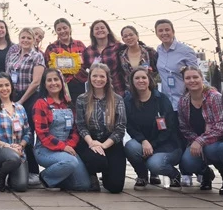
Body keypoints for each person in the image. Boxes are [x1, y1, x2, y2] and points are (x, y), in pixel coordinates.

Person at [32, 68, 90, 190]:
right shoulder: (41, 104)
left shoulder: (68, 103)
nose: (53, 83)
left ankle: (58, 178)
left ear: (62, 82)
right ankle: (45, 177)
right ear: (44, 84)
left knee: (83, 185)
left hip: (67, 149)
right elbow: (43, 134)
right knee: (71, 162)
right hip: (45, 150)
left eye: (56, 79)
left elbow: (75, 130)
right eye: (49, 80)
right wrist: (63, 147)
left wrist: (68, 146)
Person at [124, 67, 181, 190]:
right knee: (130, 146)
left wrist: (152, 145)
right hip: (143, 143)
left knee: (155, 164)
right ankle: (142, 175)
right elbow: (130, 127)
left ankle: (174, 175)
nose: (141, 80)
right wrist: (143, 141)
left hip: (166, 145)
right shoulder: (128, 101)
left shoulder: (161, 100)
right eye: (137, 78)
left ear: (149, 80)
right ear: (132, 82)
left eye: (144, 77)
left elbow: (169, 128)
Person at [75, 63, 127, 193]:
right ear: (90, 78)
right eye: (95, 76)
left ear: (107, 78)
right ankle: (91, 174)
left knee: (115, 187)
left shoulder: (117, 99)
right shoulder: (82, 99)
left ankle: (108, 174)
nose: (98, 79)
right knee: (97, 161)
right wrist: (92, 143)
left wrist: (103, 146)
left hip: (111, 142)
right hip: (90, 141)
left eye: (102, 76)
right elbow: (81, 126)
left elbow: (120, 128)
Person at [178, 66, 223, 192]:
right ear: (184, 81)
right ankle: (206, 174)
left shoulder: (214, 97)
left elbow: (220, 126)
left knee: (211, 150)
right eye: (188, 78)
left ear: (202, 78)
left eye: (195, 77)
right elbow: (183, 127)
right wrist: (196, 141)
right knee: (187, 163)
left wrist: (201, 141)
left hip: (217, 141)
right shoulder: (183, 101)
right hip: (196, 141)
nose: (192, 80)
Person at [5, 27, 46, 187]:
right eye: (23, 38)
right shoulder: (13, 55)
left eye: (29, 38)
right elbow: (8, 76)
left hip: (29, 98)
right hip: (13, 97)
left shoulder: (37, 56)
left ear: (34, 40)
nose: (26, 41)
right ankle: (16, 167)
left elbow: (36, 82)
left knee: (27, 134)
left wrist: (21, 101)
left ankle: (33, 171)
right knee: (13, 132)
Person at [0, 73, 31, 192]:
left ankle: (11, 175)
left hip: (19, 151)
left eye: (7, 85)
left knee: (20, 186)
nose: (4, 89)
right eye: (0, 86)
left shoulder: (20, 108)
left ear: (11, 86)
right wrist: (8, 146)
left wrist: (21, 146)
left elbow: (28, 132)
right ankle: (1, 177)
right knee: (13, 158)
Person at [155, 19, 198, 114]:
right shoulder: (158, 50)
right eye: (160, 31)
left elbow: (197, 75)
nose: (164, 33)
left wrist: (209, 89)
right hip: (167, 103)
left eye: (167, 30)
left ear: (173, 32)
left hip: (185, 101)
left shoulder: (186, 50)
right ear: (156, 34)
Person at [73, 20, 123, 96]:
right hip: (96, 92)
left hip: (116, 89)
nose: (100, 30)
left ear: (108, 31)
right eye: (96, 29)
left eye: (102, 28)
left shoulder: (118, 47)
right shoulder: (88, 51)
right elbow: (81, 70)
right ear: (92, 33)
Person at [43, 18, 87, 102]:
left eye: (64, 28)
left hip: (80, 83)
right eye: (59, 29)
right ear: (56, 32)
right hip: (61, 86)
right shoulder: (52, 47)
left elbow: (87, 64)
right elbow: (48, 69)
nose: (62, 31)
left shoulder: (79, 44)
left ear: (70, 28)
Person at [117, 26, 158, 97]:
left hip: (150, 92)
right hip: (130, 93)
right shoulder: (120, 55)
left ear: (137, 36)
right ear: (123, 39)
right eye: (125, 36)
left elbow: (157, 70)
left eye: (131, 35)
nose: (129, 38)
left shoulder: (149, 51)